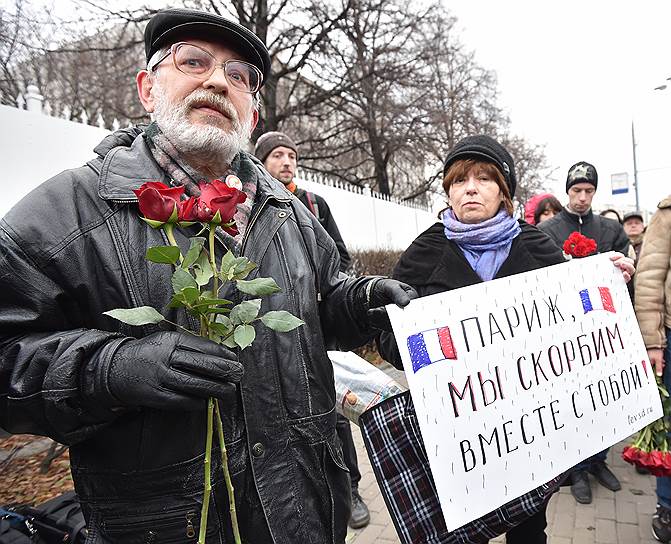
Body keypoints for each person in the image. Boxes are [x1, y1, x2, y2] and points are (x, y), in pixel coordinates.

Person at [0, 8, 416, 543]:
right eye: (193, 61)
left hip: (302, 512)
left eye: (240, 76)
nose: (219, 80)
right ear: (148, 89)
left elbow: (317, 308)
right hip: (169, 526)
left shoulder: (285, 210)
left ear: (253, 112)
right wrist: (108, 370)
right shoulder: (68, 212)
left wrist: (361, 303)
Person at [376, 135, 634, 543]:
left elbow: (576, 326)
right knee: (466, 528)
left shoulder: (536, 246)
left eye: (483, 178)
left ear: (504, 192)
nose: (470, 188)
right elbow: (389, 338)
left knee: (530, 528)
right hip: (460, 426)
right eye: (459, 181)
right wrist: (443, 350)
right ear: (449, 191)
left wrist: (606, 282)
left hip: (529, 424)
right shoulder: (423, 252)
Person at [255, 131, 369, 529]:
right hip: (269, 327)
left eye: (291, 155)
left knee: (333, 408)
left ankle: (350, 487)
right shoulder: (246, 202)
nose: (286, 161)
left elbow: (338, 254)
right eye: (277, 155)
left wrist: (318, 281)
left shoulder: (313, 204)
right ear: (262, 160)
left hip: (314, 323)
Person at [538, 161, 630, 504]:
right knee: (574, 400)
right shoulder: (550, 231)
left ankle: (598, 461)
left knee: (603, 398)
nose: (582, 197)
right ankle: (576, 469)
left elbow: (626, 277)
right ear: (567, 191)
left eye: (588, 191)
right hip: (564, 332)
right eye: (576, 190)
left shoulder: (609, 229)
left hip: (602, 330)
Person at [634, 194, 671, 543]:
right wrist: (653, 342)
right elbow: (649, 279)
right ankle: (667, 507)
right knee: (669, 428)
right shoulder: (667, 212)